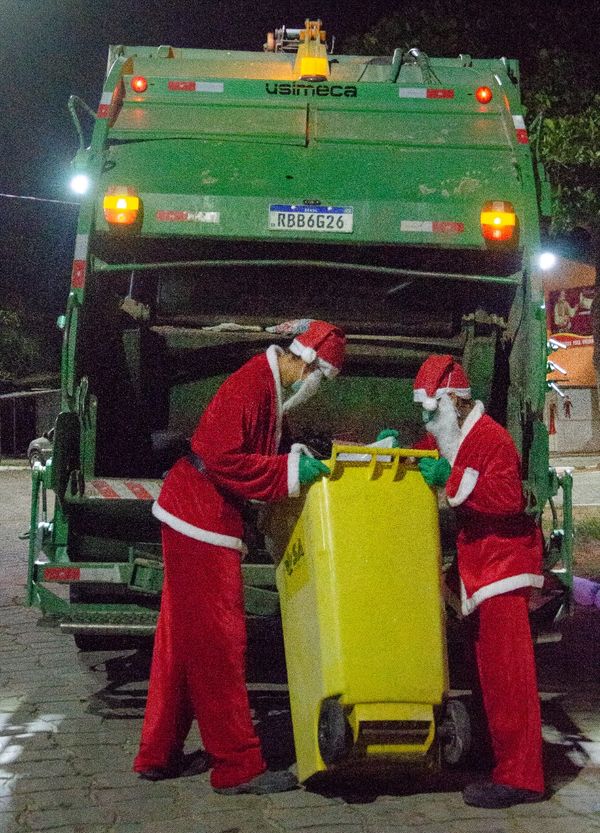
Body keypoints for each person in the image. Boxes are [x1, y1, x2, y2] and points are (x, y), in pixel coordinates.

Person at [134, 320, 346, 794]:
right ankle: (237, 767)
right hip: (201, 522)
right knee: (219, 647)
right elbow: (222, 457)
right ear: (306, 360)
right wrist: (291, 471)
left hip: (194, 516)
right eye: (324, 377)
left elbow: (250, 450)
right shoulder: (252, 385)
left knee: (180, 644)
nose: (321, 387)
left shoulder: (264, 384)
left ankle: (157, 753)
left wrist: (298, 455)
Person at [379, 354, 544, 808]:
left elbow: (507, 498)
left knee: (509, 679)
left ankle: (522, 777)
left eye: (432, 411)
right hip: (483, 568)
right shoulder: (457, 432)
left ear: (452, 399)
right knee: (488, 676)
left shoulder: (493, 439)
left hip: (502, 571)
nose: (428, 422)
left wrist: (450, 481)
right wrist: (390, 452)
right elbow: (431, 454)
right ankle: (502, 761)